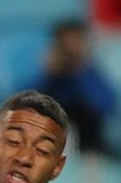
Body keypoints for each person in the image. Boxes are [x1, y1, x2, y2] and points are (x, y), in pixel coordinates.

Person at [31, 19, 117, 154]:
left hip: (89, 150)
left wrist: (80, 71)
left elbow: (105, 106)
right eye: (66, 45)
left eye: (77, 43)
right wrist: (48, 74)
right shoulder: (49, 78)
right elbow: (26, 106)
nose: (71, 51)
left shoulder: (90, 74)